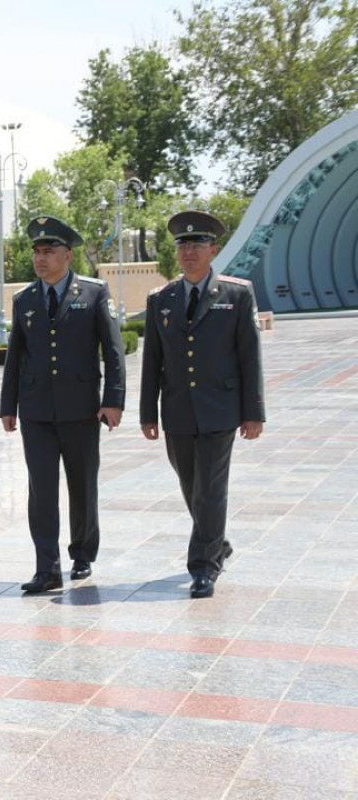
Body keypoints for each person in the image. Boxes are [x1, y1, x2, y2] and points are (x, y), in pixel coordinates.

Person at [141, 210, 265, 599]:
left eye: (196, 244)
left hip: (220, 409)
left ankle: (203, 566)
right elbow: (152, 362)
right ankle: (217, 541)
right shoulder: (161, 299)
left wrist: (253, 411)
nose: (189, 252)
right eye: (182, 245)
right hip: (178, 410)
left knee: (210, 488)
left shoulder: (236, 293)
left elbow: (249, 355)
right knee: (191, 484)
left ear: (214, 249)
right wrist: (148, 412)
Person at [0, 216, 125, 594]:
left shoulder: (94, 293)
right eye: (37, 252)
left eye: (49, 251)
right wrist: (8, 406)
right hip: (36, 410)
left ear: (68, 255)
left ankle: (82, 551)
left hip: (81, 408)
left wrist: (113, 400)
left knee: (82, 484)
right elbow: (15, 357)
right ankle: (46, 568)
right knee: (41, 489)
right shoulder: (25, 300)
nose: (41, 258)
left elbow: (114, 351)